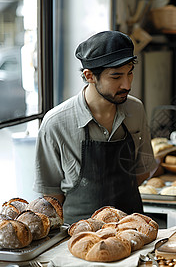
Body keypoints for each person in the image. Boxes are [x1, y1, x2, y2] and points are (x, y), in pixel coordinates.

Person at [33, 31, 157, 224]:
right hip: (77, 237)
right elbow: (51, 197)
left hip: (132, 230)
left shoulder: (136, 109)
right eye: (116, 76)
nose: (127, 84)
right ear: (89, 76)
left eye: (130, 72)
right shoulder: (56, 123)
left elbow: (142, 171)